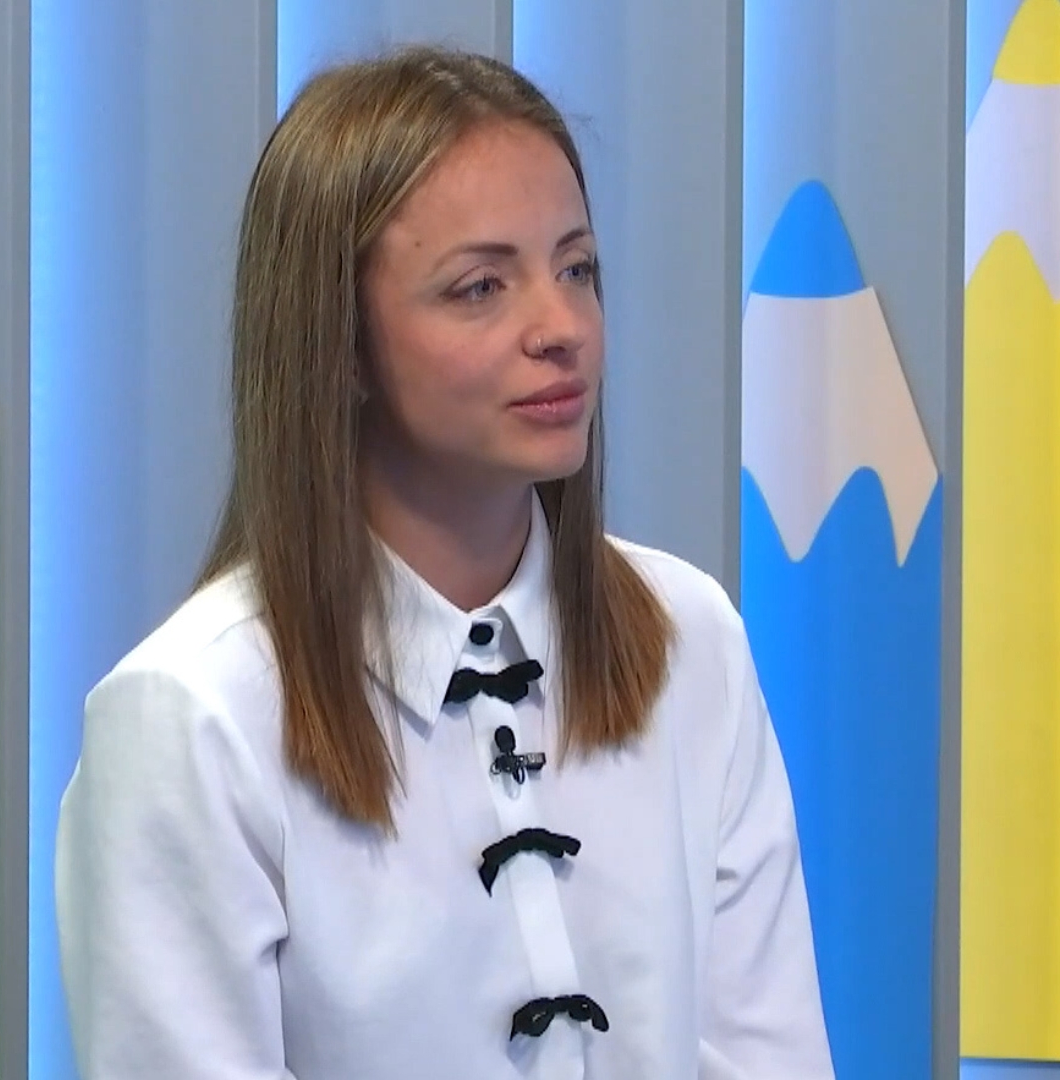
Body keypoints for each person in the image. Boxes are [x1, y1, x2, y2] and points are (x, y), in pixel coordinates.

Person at [54, 45, 834, 1079]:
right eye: (480, 288)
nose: (562, 328)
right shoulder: (194, 718)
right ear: (339, 344)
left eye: (577, 269)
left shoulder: (692, 640)